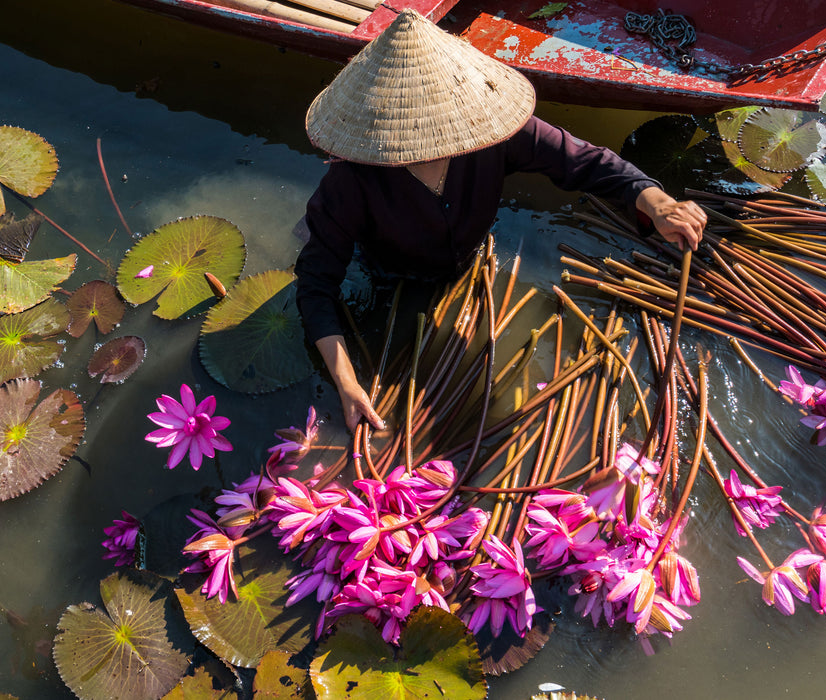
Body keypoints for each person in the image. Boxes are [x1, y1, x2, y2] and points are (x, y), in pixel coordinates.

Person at [294, 10, 706, 431]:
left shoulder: (490, 132)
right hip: (389, 273)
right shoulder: (352, 179)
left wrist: (656, 202)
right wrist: (347, 382)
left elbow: (585, 161)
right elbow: (314, 285)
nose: (430, 143)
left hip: (465, 258)